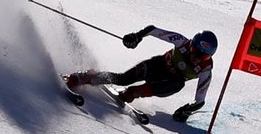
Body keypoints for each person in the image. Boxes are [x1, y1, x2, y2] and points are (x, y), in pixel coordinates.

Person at [66, 25, 217, 121]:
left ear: (209, 57)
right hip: (156, 66)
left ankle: (131, 93)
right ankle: (85, 77)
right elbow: (153, 30)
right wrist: (136, 37)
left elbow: (200, 101)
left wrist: (186, 110)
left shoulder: (206, 69)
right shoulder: (181, 41)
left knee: (178, 84)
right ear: (191, 44)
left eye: (202, 56)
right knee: (122, 79)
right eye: (195, 51)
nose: (196, 57)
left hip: (167, 83)